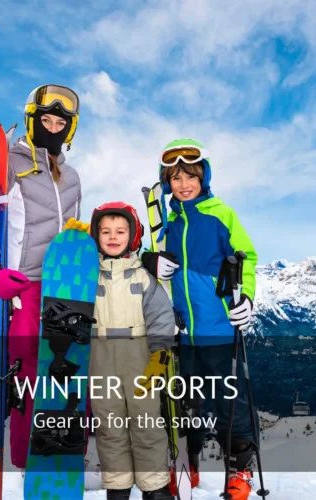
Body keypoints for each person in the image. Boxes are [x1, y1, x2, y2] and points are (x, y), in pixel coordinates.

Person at [0, 84, 87, 470]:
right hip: (23, 287)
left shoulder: (72, 178)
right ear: (33, 121)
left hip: (65, 287)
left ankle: (63, 458)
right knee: (28, 376)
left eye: (59, 122)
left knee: (68, 376)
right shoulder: (9, 166)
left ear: (68, 130)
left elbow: (71, 231)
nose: (52, 127)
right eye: (45, 120)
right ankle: (23, 463)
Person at [141, 138, 259, 500]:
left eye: (190, 175)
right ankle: (187, 464)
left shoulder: (221, 214)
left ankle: (239, 472)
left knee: (229, 403)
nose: (183, 184)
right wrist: (150, 260)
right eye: (175, 178)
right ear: (167, 182)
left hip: (220, 330)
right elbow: (153, 262)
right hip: (182, 332)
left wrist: (247, 298)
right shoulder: (166, 222)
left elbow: (247, 258)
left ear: (204, 176)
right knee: (185, 406)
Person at [88, 201, 175, 500]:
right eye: (106, 232)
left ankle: (155, 487)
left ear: (133, 235)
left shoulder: (144, 277)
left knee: (147, 422)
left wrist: (160, 354)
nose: (113, 237)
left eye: (120, 231)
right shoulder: (88, 275)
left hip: (139, 354)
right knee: (109, 426)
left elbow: (161, 317)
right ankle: (118, 487)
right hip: (98, 356)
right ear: (95, 236)